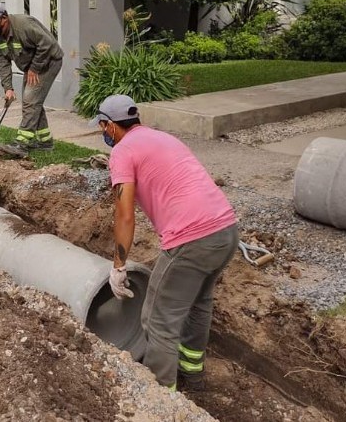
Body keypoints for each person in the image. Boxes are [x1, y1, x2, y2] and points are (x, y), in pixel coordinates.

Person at [92, 94, 238, 392]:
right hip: (226, 230)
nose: (101, 132)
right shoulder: (161, 137)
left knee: (157, 321)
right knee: (198, 304)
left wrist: (118, 266)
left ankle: (163, 399)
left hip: (191, 240)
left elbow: (124, 215)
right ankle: (192, 375)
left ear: (110, 126)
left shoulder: (122, 152)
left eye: (101, 126)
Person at [0, 3, 63, 157]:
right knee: (32, 101)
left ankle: (22, 143)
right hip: (30, 65)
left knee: (30, 99)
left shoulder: (24, 25)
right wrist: (8, 88)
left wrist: (35, 68)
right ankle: (45, 142)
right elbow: (2, 60)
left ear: (4, 17)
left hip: (49, 61)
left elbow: (47, 44)